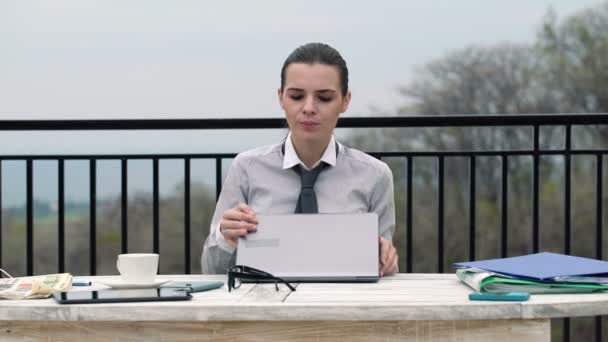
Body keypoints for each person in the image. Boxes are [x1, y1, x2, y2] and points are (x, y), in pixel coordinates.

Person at [201, 42, 398, 276]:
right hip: (263, 305)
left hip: (342, 307)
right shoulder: (246, 168)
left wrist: (386, 264)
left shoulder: (375, 176)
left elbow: (383, 269)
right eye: (296, 96)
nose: (309, 108)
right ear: (281, 98)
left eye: (324, 98)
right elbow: (210, 270)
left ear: (345, 101)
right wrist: (225, 238)